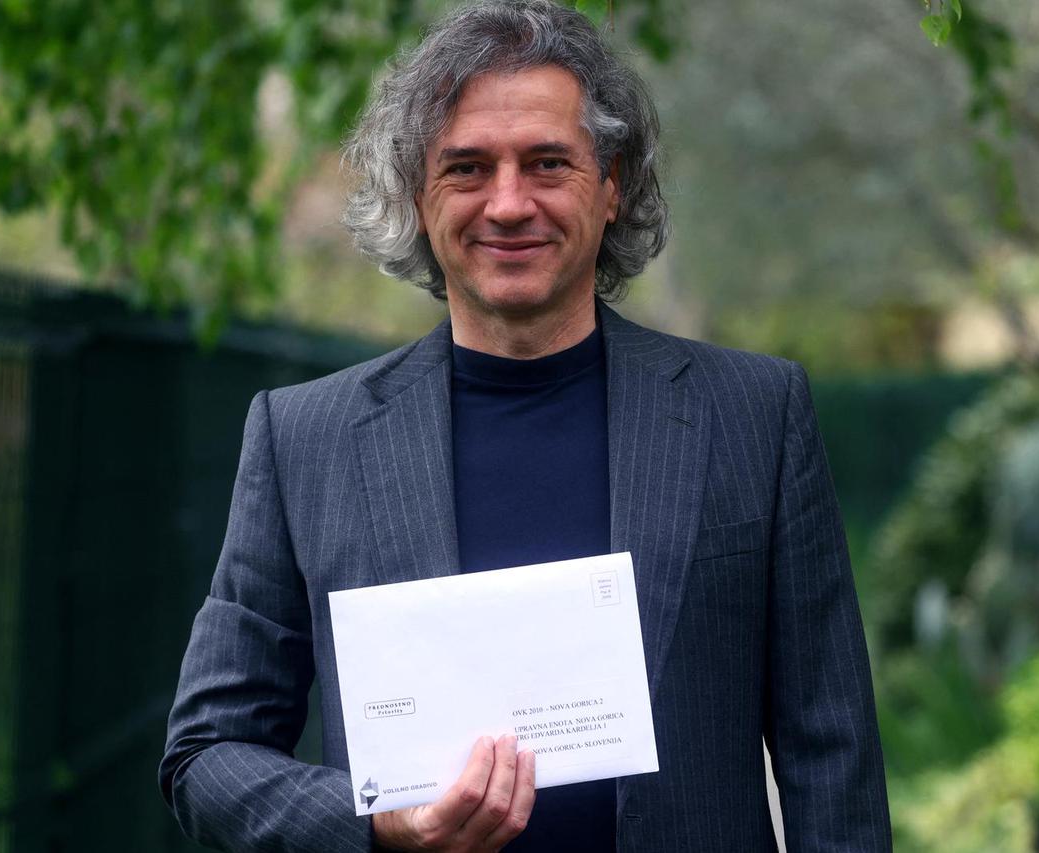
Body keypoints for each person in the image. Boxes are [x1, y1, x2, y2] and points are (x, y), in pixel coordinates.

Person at [159, 1, 892, 850]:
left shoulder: (754, 416)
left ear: (612, 185)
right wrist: (374, 825)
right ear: (417, 195)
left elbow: (831, 752)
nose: (509, 204)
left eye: (548, 163)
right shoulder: (304, 439)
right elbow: (206, 754)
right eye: (467, 168)